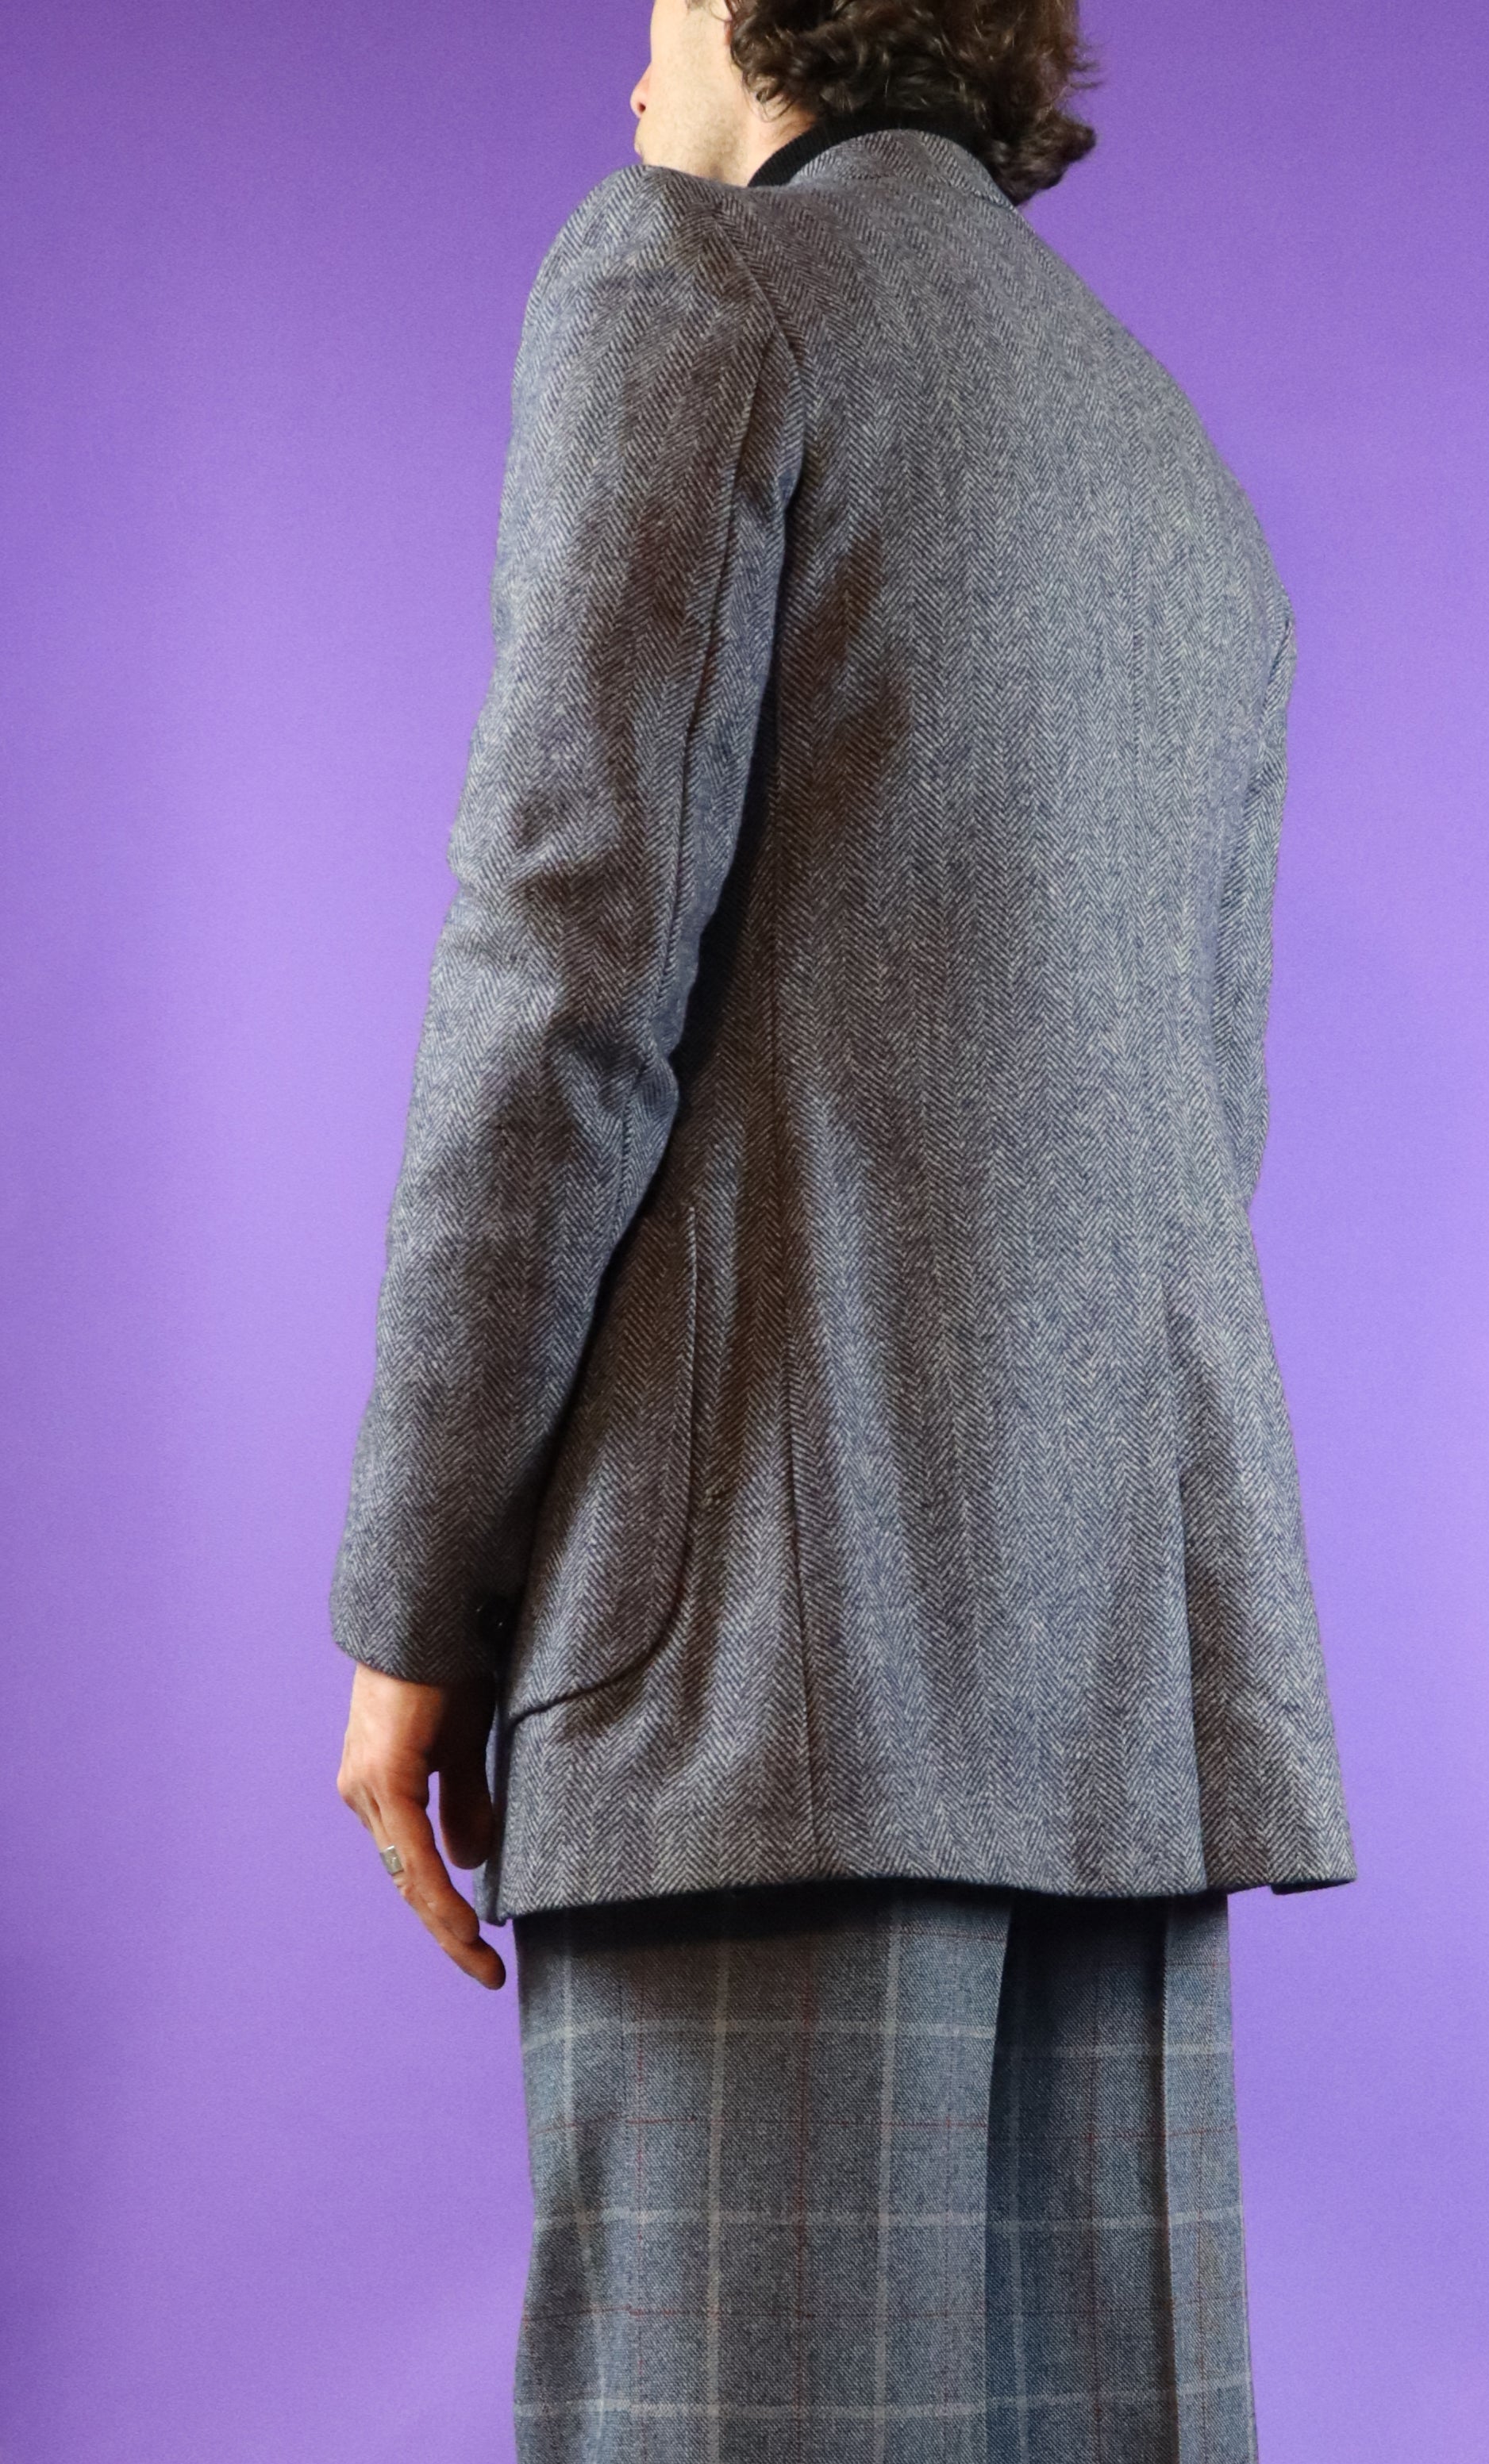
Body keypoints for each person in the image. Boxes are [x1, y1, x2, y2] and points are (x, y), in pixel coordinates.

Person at [332, 0, 1356, 2452]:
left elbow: (563, 978)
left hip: (754, 1677)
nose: (629, 76)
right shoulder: (1168, 462)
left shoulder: (693, 285)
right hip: (1114, 1680)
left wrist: (417, 1595)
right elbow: (1202, 1110)